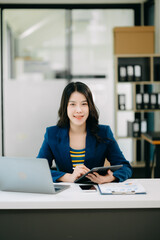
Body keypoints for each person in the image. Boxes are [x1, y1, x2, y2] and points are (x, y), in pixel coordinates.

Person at [37, 81, 132, 184]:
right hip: (64, 195)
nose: (79, 110)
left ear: (89, 107)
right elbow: (38, 169)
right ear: (65, 107)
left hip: (94, 193)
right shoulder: (52, 134)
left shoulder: (104, 132)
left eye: (84, 104)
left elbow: (125, 167)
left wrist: (109, 178)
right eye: (72, 104)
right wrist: (68, 177)